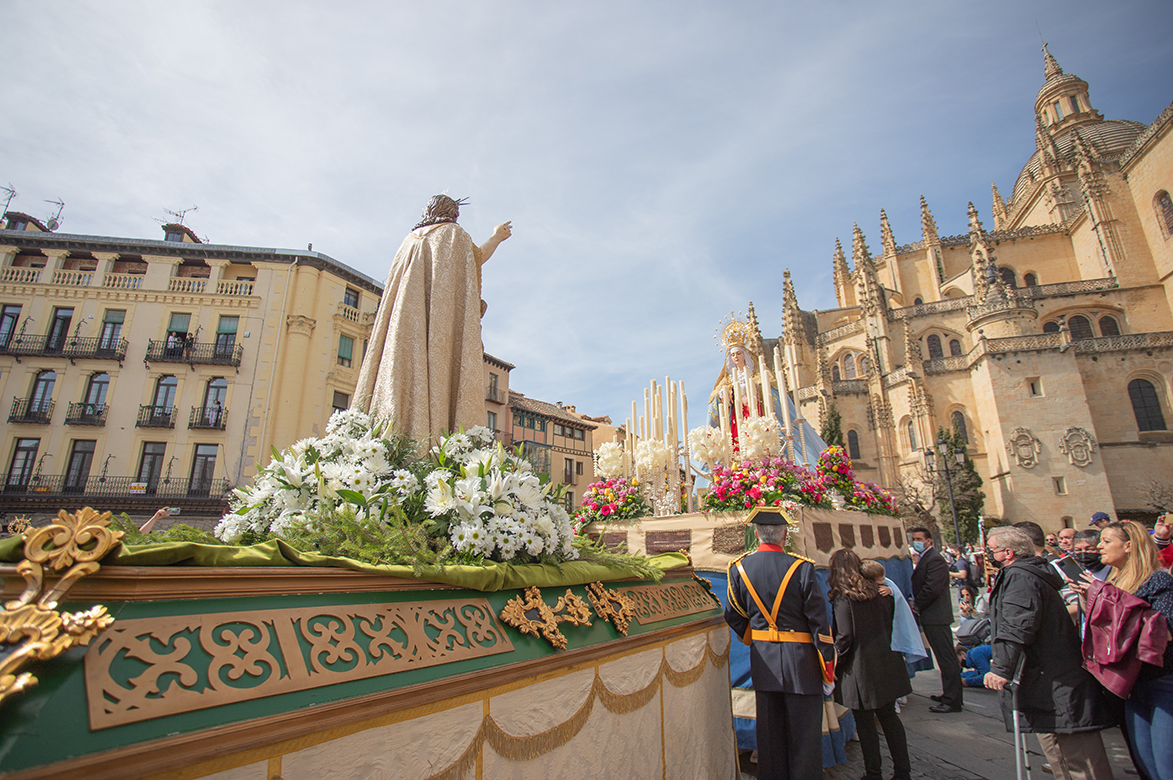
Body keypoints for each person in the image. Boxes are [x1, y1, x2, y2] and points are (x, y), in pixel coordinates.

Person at [354, 195, 512, 444]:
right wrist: (497, 237)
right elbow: (475, 258)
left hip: (402, 325)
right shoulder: (453, 234)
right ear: (453, 214)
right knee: (440, 366)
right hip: (442, 322)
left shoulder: (408, 241)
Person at [982, 526, 1117, 780]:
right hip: (1046, 679)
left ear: (1008, 552)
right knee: (1061, 756)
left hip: (1055, 680)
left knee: (1079, 760)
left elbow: (1016, 624)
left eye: (991, 549)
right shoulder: (1024, 573)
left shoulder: (1020, 577)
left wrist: (1000, 668)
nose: (987, 553)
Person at [724, 506, 835, 780]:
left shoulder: (739, 568)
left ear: (757, 534)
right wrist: (828, 667)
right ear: (784, 535)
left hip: (763, 662)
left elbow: (732, 614)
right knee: (804, 740)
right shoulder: (802, 568)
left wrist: (755, 636)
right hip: (803, 664)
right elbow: (820, 625)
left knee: (770, 740)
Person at [1073, 521, 1173, 779]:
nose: (1099, 547)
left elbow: (1165, 629)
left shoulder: (1158, 579)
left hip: (1163, 683)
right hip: (1132, 685)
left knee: (1165, 765)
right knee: (1145, 765)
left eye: (1106, 541)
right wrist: (1090, 599)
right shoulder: (1114, 581)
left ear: (1128, 546)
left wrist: (1109, 601)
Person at [829, 549, 912, 780]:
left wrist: (835, 662)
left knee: (865, 723)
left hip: (860, 667)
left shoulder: (843, 597)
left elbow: (845, 636)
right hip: (886, 661)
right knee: (889, 718)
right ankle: (903, 771)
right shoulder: (880, 592)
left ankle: (873, 772)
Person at [908, 527, 963, 712]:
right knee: (943, 657)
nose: (916, 541)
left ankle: (952, 700)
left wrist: (917, 604)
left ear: (929, 541)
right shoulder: (927, 558)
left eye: (919, 538)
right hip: (932, 615)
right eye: (914, 538)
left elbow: (932, 587)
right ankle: (948, 694)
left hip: (937, 616)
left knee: (947, 658)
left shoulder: (935, 560)